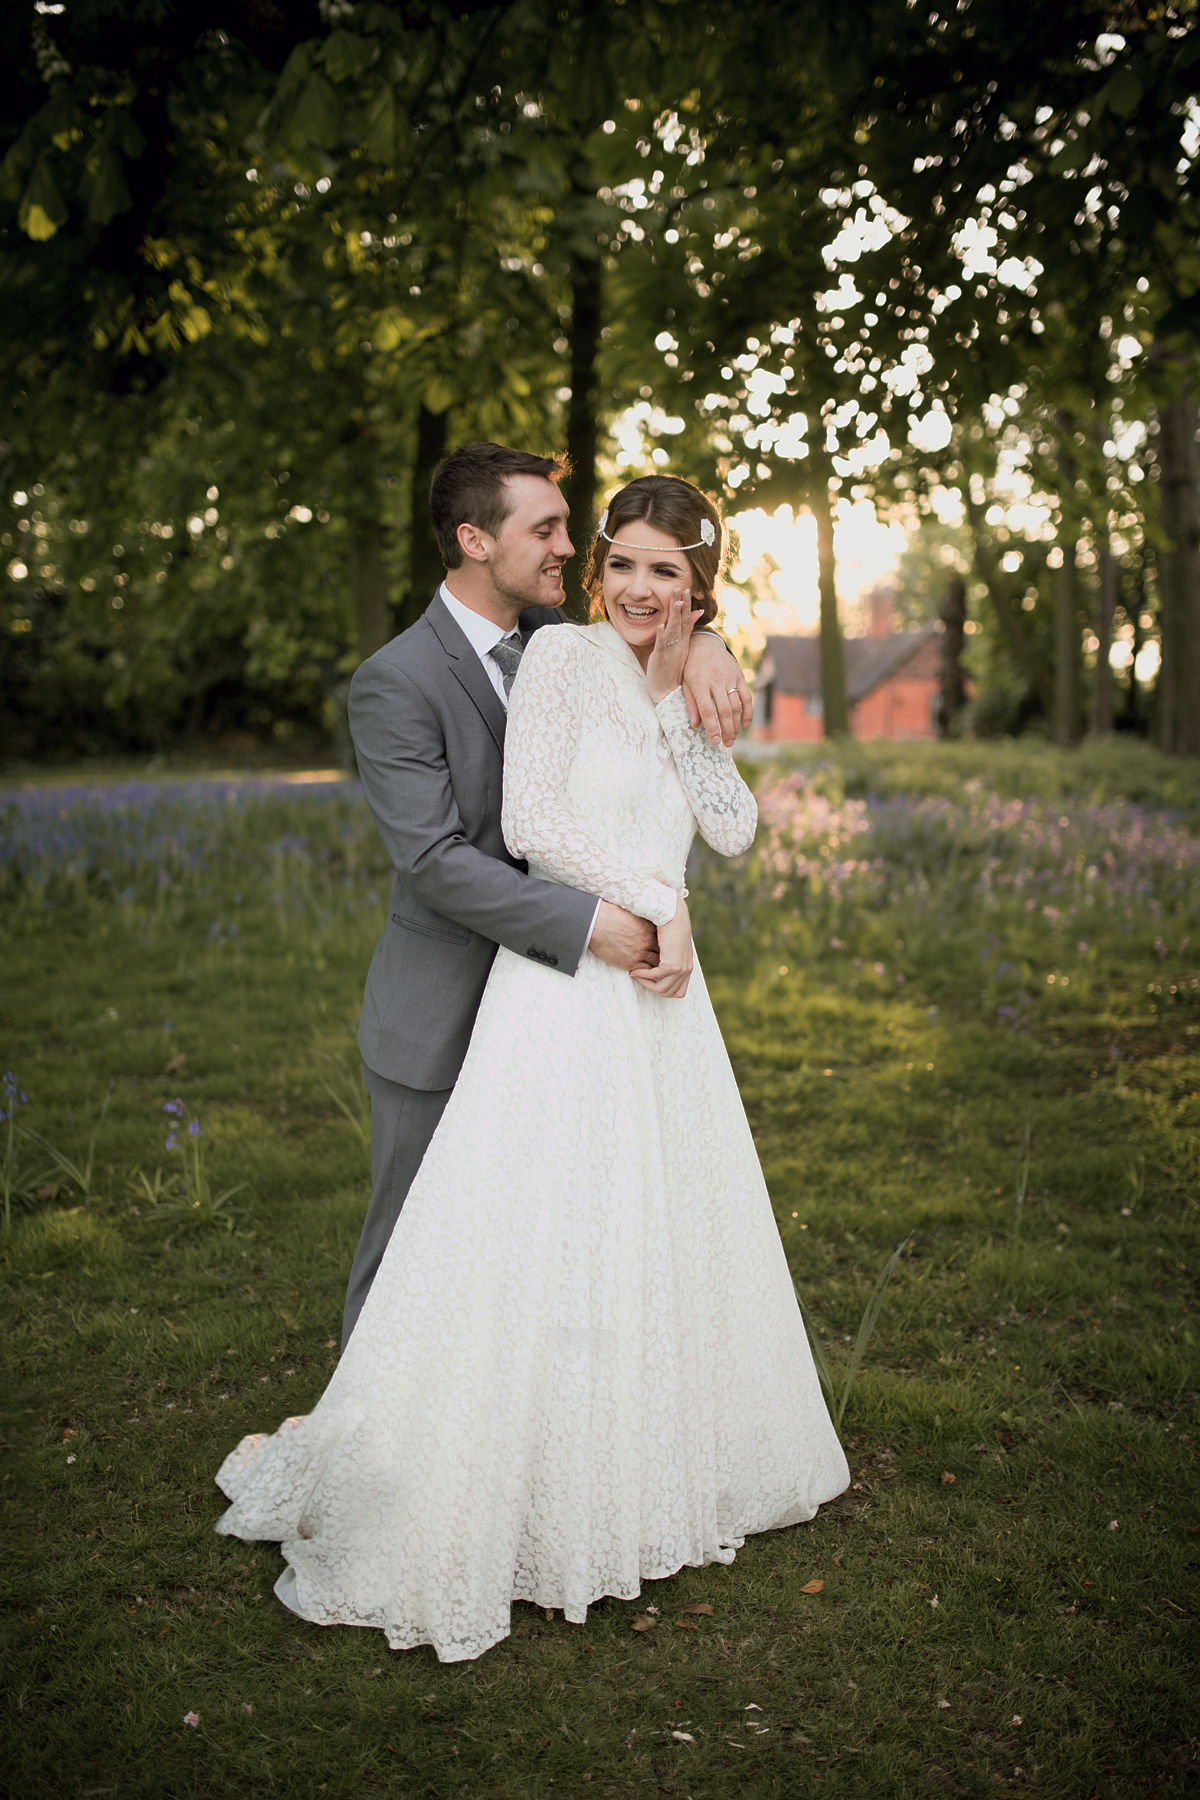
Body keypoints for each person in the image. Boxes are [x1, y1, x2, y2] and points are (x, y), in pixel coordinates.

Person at [214, 473, 849, 1663]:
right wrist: (655, 906)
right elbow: (531, 828)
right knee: (500, 1230)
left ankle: (633, 1458)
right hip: (573, 981)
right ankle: (430, 1455)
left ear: (700, 587)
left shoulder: (658, 660)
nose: (636, 585)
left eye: (669, 571)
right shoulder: (557, 662)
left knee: (645, 1223)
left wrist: (682, 689)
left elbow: (735, 826)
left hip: (659, 995)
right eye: (621, 562)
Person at [337, 443, 753, 1347]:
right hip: (449, 1004)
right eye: (550, 529)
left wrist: (707, 642)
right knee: (414, 1249)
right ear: (474, 540)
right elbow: (439, 858)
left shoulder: (557, 644)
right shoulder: (396, 680)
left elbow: (645, 641)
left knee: (545, 1251)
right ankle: (371, 1444)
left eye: (573, 529)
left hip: (577, 1011)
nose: (575, 546)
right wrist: (622, 914)